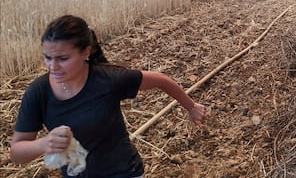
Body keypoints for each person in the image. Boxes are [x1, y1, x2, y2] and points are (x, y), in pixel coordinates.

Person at [10, 14, 206, 177]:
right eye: (47, 57)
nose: (53, 67)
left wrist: (192, 107)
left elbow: (160, 79)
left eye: (63, 58)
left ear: (86, 52)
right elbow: (17, 153)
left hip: (123, 172)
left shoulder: (109, 80)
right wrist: (43, 144)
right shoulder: (38, 92)